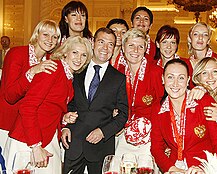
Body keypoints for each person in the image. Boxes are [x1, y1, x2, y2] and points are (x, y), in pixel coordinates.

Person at [4, 36, 92, 174]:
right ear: (65, 53)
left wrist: (64, 118)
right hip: (27, 139)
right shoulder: (53, 69)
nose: (78, 58)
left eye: (84, 55)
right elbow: (27, 107)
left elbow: (49, 106)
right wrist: (35, 146)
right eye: (75, 52)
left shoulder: (68, 76)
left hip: (47, 136)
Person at [62, 27, 128, 174]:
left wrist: (103, 132)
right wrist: (65, 125)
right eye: (101, 42)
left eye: (110, 44)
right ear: (93, 43)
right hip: (75, 142)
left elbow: (123, 114)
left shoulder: (119, 78)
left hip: (101, 147)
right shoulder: (77, 69)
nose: (105, 48)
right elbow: (68, 103)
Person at [150, 59, 217, 173]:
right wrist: (172, 169)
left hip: (202, 168)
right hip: (174, 167)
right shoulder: (157, 108)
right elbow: (156, 148)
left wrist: (208, 169)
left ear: (188, 80)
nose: (175, 83)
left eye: (181, 78)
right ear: (163, 79)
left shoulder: (203, 101)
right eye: (170, 77)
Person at [0, 19, 60, 149]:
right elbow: (10, 96)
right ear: (36, 35)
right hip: (8, 124)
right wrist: (32, 72)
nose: (50, 39)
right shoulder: (16, 54)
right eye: (45, 34)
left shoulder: (51, 61)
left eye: (54, 37)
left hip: (31, 127)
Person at [115, 28, 164, 170]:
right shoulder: (117, 73)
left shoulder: (156, 72)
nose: (135, 50)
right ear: (123, 48)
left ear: (145, 50)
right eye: (131, 45)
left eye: (140, 46)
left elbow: (164, 107)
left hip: (148, 138)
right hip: (122, 135)